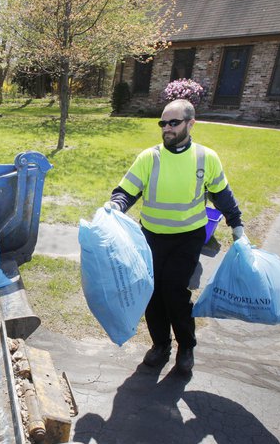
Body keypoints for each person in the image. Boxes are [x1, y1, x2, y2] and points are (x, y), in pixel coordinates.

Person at [104, 99, 244, 374]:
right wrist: (115, 206)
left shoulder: (206, 158)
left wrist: (236, 224)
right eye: (163, 123)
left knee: (175, 292)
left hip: (188, 238)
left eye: (173, 122)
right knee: (152, 293)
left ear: (191, 124)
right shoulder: (150, 157)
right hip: (152, 237)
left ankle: (186, 346)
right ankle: (160, 345)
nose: (166, 128)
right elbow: (126, 191)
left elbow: (222, 194)